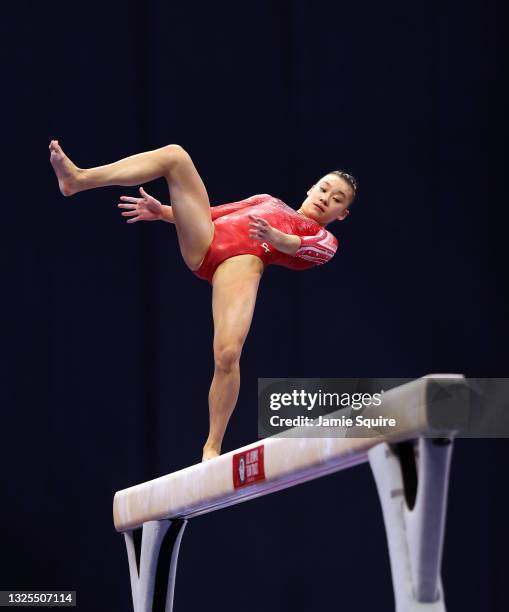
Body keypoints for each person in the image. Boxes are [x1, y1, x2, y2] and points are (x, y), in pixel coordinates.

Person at [49, 140, 357, 461]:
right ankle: (79, 179)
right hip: (207, 236)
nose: (326, 199)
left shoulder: (325, 238)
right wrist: (164, 213)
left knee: (227, 354)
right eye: (324, 189)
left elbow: (305, 248)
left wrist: (275, 238)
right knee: (174, 156)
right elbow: (215, 212)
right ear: (311, 187)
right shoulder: (268, 201)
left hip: (239, 263)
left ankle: (212, 445)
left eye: (337, 199)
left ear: (342, 214)